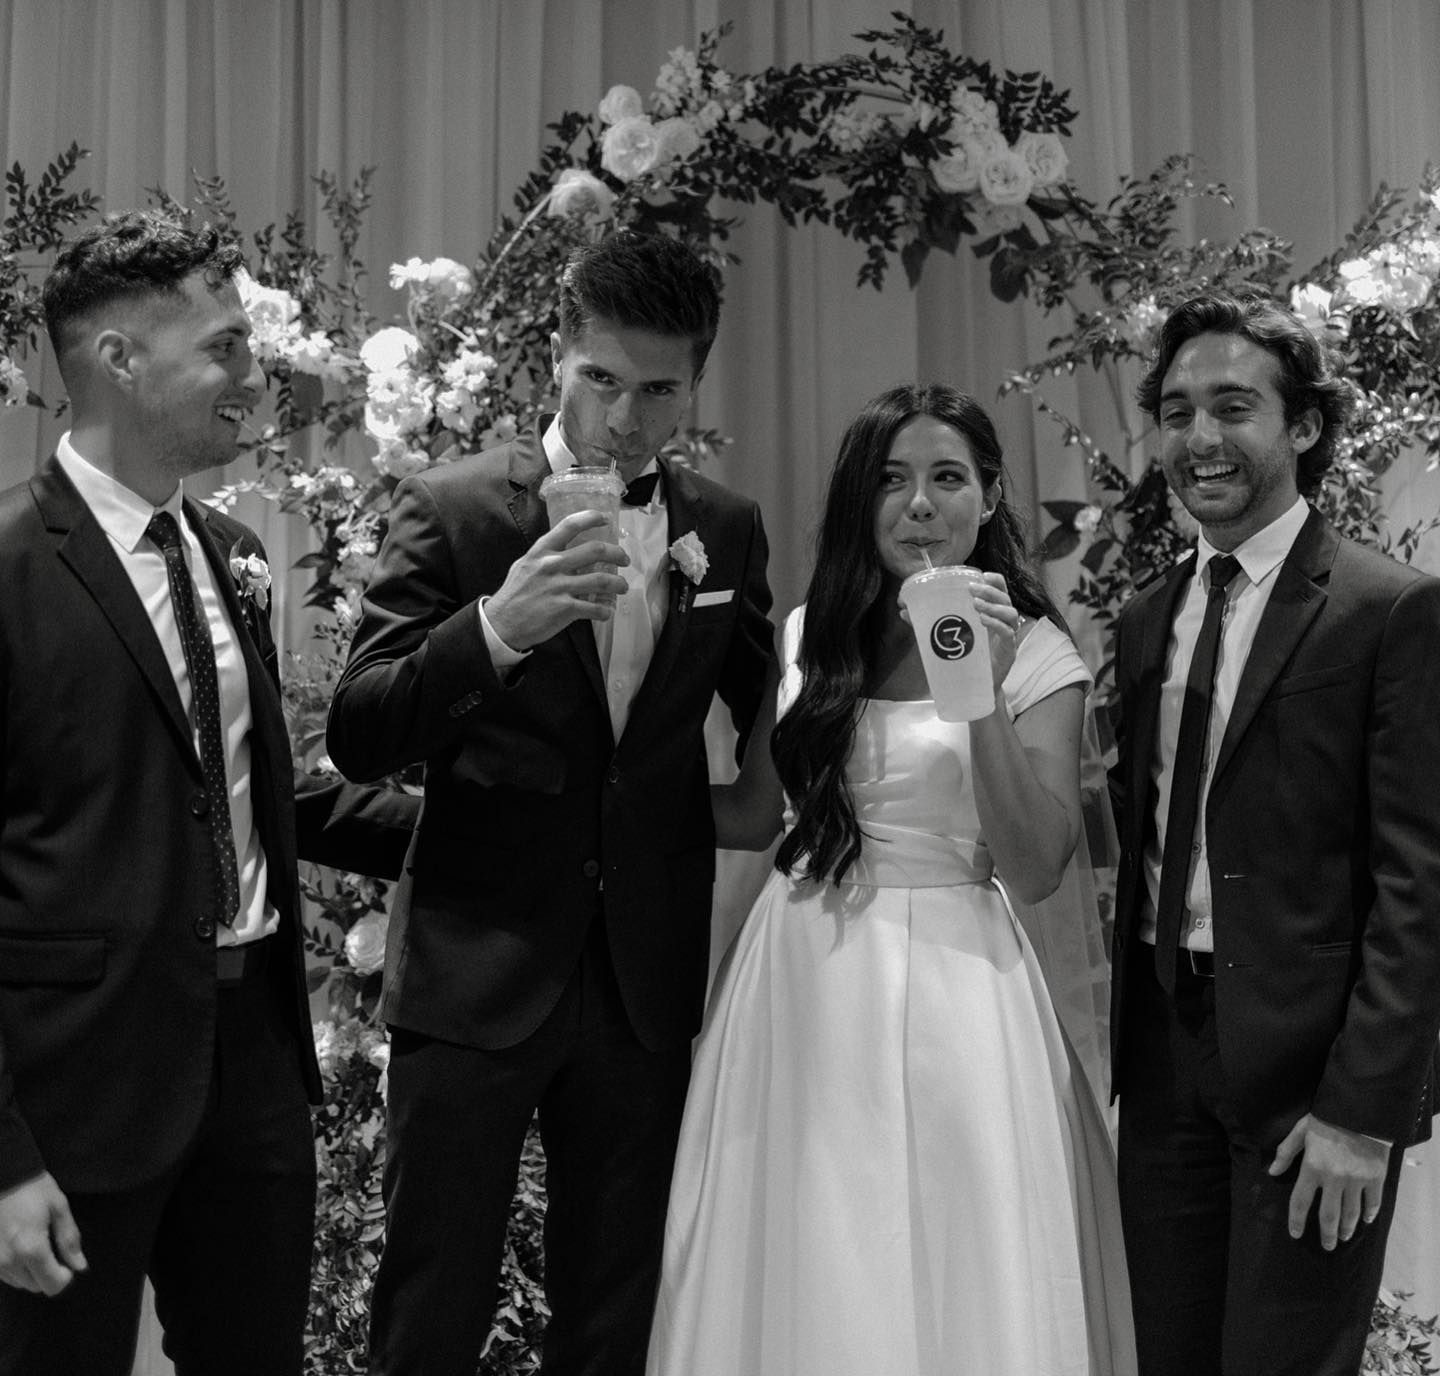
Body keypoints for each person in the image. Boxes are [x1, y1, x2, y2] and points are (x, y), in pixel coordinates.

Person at [326, 230, 775, 1376]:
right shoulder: (453, 507)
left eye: (659, 389)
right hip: (478, 968)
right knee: (431, 1300)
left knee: (614, 1308)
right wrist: (497, 629)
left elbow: (771, 700)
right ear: (559, 360)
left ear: (695, 383)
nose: (627, 419)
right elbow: (362, 726)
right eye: (602, 381)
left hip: (640, 978)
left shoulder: (722, 530)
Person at [0, 210, 418, 1376]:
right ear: (121, 362)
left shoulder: (231, 549)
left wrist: (466, 828)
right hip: (75, 1085)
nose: (255, 372)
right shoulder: (10, 571)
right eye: (225, 347)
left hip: (250, 1066)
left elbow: (254, 791)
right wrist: (4, 1158)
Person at [646, 383, 1136, 1376]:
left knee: (953, 1249)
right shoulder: (806, 636)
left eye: (948, 477)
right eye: (893, 479)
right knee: (804, 1240)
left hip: (960, 977)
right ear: (859, 499)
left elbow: (1038, 862)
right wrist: (597, 798)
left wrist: (979, 688)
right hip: (800, 972)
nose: (920, 503)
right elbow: (752, 811)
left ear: (990, 496)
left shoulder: (1040, 654)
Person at [1109, 289, 1440, 1376]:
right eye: (1177, 408)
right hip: (1163, 1062)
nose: (1200, 436)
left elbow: (1420, 881)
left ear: (1302, 425)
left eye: (1234, 406)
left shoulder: (1389, 608)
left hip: (1313, 1079)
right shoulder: (1147, 615)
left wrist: (1365, 1113)